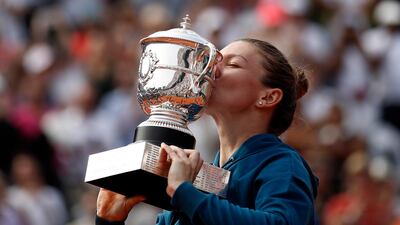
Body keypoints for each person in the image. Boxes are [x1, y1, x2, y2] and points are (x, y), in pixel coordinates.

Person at [95, 38, 319, 225]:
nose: (211, 70)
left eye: (233, 64)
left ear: (268, 97)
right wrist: (109, 220)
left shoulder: (282, 163)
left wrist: (184, 192)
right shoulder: (201, 177)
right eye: (213, 62)